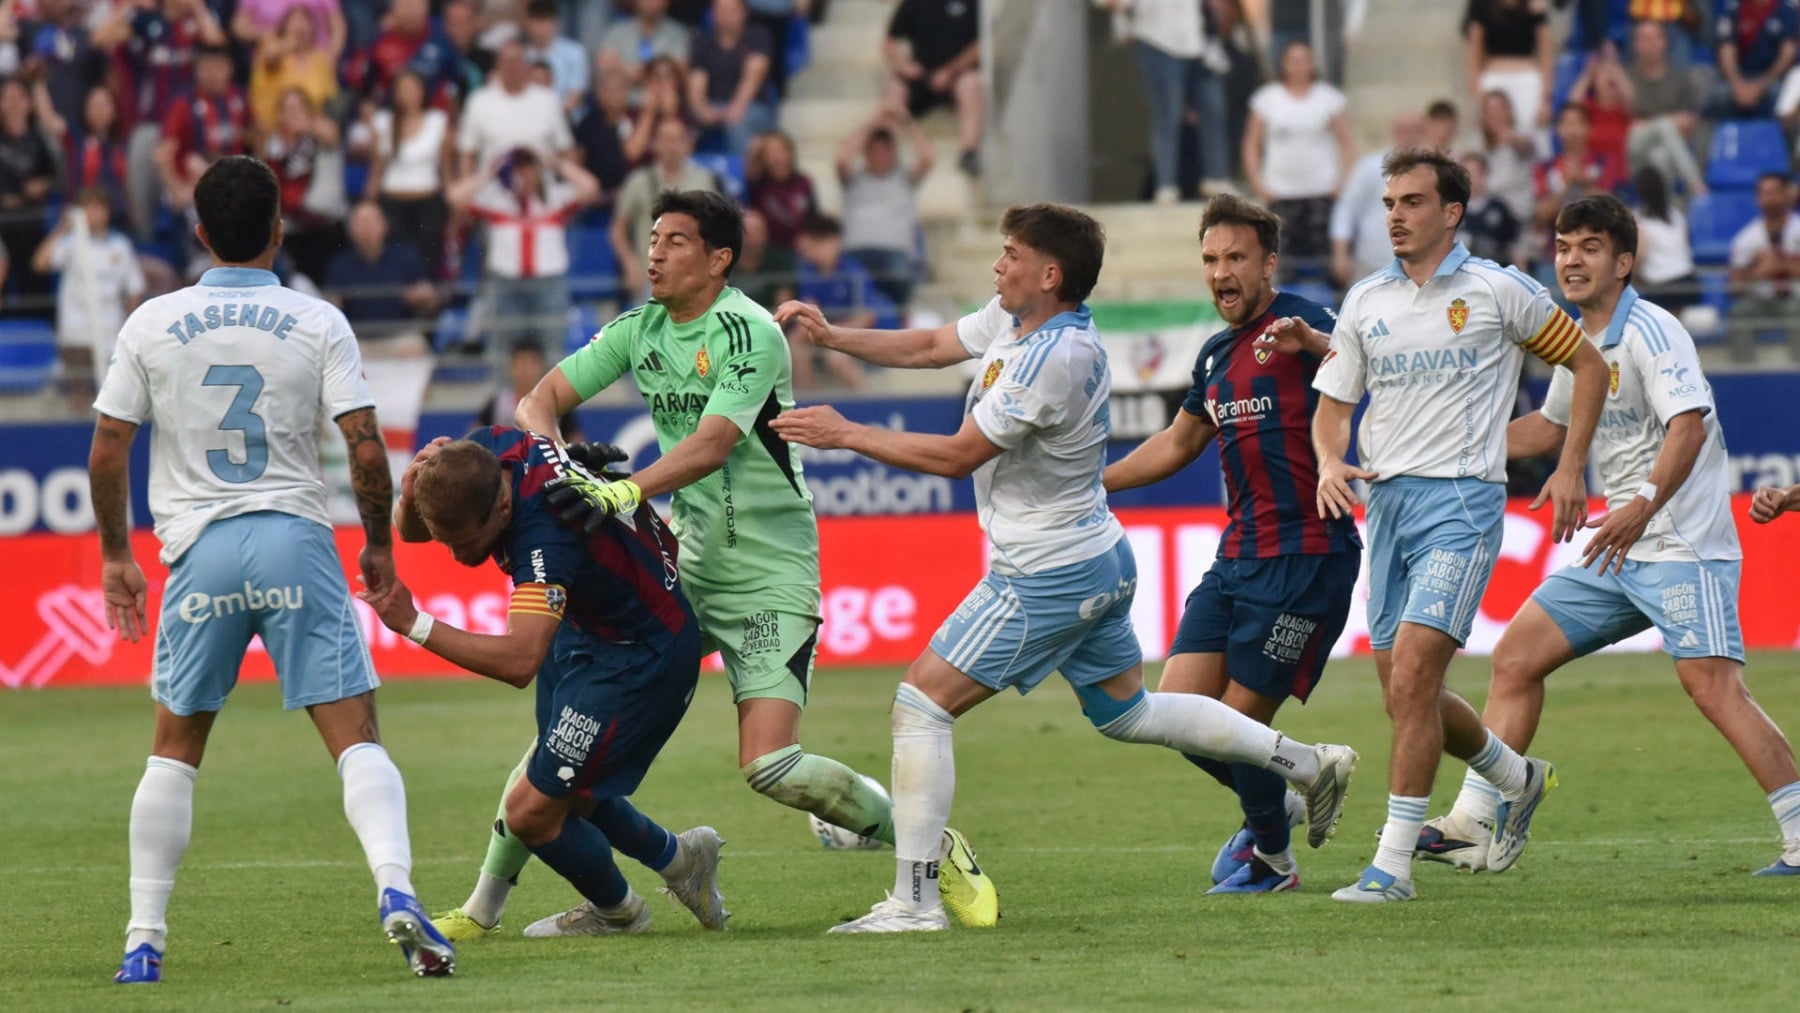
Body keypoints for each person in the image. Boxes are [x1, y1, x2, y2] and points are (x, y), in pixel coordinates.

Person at [428, 189, 1001, 940]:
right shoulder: (638, 329)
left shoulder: (751, 332)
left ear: (718, 258)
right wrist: (560, 457)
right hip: (685, 562)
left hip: (769, 566)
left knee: (770, 765)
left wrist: (622, 488)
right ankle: (483, 906)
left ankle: (930, 844)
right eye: (653, 238)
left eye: (673, 240)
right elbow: (539, 401)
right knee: (560, 737)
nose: (655, 253)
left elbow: (714, 442)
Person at [769, 203, 1359, 932]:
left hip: (1046, 572)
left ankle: (915, 902)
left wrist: (847, 432)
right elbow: (928, 346)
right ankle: (1305, 762)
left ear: (1049, 274)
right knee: (1131, 712)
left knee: (920, 704)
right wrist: (836, 337)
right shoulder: (1015, 323)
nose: (998, 263)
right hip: (1092, 556)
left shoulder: (1058, 356)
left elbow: (959, 455)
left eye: (1011, 253)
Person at [89, 155, 453, 983]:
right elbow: (364, 443)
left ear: (199, 233)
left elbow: (109, 448)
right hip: (295, 537)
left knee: (173, 752)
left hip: (200, 552)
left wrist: (117, 554)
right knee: (355, 737)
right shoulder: (318, 320)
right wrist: (381, 546)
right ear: (280, 230)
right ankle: (397, 890)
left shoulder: (150, 322)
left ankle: (143, 939)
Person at [1422, 194, 1800, 878]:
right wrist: (1454, 447)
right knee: (1514, 658)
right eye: (1565, 246)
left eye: (1590, 247)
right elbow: (1549, 428)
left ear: (1623, 262)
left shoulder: (1656, 332)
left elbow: (1688, 425)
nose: (1572, 259)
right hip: (1617, 549)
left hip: (1682, 542)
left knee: (1714, 688)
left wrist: (1642, 505)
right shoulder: (1578, 340)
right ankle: (1477, 820)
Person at [1301, 146, 1610, 901]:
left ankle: (1392, 866)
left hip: (1465, 504)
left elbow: (1592, 366)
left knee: (1411, 678)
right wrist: (1329, 460)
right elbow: (1333, 408)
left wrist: (1570, 466)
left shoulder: (1499, 291)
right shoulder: (1366, 300)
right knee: (1404, 691)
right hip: (1390, 507)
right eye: (1388, 203)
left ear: (1451, 212)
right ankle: (1515, 773)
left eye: (1411, 202)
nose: (1396, 216)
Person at [361, 426, 729, 934]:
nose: (456, 556)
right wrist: (410, 493)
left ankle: (619, 913)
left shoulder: (546, 534)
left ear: (503, 511)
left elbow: (518, 661)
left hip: (640, 658)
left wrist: (414, 624)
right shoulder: (482, 455)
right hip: (588, 629)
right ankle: (680, 860)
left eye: (464, 541)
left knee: (530, 812)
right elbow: (414, 530)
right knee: (570, 791)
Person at [1102, 194, 1362, 894]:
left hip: (1308, 554)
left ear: (1268, 262)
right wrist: (1094, 484)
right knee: (1179, 718)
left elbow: (1374, 365)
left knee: (1239, 724)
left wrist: (1314, 346)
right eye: (1212, 259)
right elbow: (1177, 443)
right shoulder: (1217, 353)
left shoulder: (1311, 321)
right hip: (1236, 558)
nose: (1222, 271)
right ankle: (1298, 775)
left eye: (1237, 257)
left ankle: (1273, 858)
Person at [449, 146, 599, 357]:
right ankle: (503, 391)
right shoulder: (495, 200)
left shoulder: (556, 198)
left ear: (538, 170)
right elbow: (455, 196)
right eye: (518, 168)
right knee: (503, 347)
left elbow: (591, 188)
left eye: (529, 167)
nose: (524, 174)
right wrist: (488, 173)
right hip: (506, 284)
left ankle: (552, 392)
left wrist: (558, 164)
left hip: (548, 283)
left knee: (552, 347)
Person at [1242, 40, 1354, 269]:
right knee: (1281, 262)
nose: (1299, 66)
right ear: (1283, 64)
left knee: (1324, 263)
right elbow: (1252, 144)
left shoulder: (1329, 98)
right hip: (1280, 194)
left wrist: (1342, 183)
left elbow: (1347, 142)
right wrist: (1258, 184)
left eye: (1304, 60)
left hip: (1322, 192)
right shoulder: (1267, 99)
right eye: (1293, 60)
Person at [1105, 0, 1231, 203]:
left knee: (1213, 110)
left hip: (1199, 42)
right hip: (1159, 40)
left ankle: (1215, 177)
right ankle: (1166, 185)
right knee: (1168, 116)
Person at [33, 187, 147, 408]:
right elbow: (40, 263)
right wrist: (64, 227)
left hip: (110, 330)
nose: (94, 213)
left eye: (99, 207)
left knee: (114, 394)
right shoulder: (70, 243)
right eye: (88, 208)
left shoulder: (120, 245)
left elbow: (134, 288)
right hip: (75, 330)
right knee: (79, 393)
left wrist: (129, 328)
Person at [610, 118, 720, 295]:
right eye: (666, 139)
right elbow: (618, 229)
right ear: (655, 145)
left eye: (678, 139)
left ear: (688, 144)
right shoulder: (638, 181)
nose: (672, 146)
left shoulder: (704, 181)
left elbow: (717, 227)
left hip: (693, 278)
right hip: (651, 277)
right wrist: (629, 264)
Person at [837, 103, 931, 309]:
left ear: (894, 153)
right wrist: (872, 121)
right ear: (865, 153)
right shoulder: (854, 180)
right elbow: (842, 158)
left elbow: (926, 158)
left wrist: (907, 121)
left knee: (899, 277)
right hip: (856, 252)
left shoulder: (904, 179)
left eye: (884, 151)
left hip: (894, 255)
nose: (879, 156)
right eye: (874, 151)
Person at [791, 213, 893, 389]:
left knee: (836, 355)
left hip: (864, 332)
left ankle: (864, 401)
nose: (809, 252)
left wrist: (833, 333)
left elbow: (866, 316)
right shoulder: (809, 271)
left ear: (832, 241)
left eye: (815, 245)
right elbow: (809, 308)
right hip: (831, 331)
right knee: (794, 343)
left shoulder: (853, 271)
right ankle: (808, 403)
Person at [884, 0, 983, 175]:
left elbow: (979, 46)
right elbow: (889, 41)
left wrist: (951, 71)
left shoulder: (971, 3)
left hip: (957, 75)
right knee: (894, 85)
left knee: (971, 83)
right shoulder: (913, 3)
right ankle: (888, 150)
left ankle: (968, 151)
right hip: (921, 76)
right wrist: (904, 65)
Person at [1331, 112, 1427, 286]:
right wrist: (1341, 255)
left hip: (1420, 267)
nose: (1409, 137)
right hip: (1371, 266)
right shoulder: (1370, 168)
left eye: (1415, 131)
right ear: (1394, 133)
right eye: (1404, 131)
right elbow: (1346, 211)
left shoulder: (1434, 173)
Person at [1625, 19, 1706, 197]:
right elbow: (1625, 123)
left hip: (1666, 150)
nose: (1649, 44)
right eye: (1643, 39)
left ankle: (1661, 212)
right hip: (1632, 149)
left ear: (1664, 42)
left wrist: (1650, 123)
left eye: (1654, 38)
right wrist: (1669, 121)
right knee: (1664, 125)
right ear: (1635, 44)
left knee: (1660, 158)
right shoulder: (1627, 76)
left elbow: (1687, 124)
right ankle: (1696, 186)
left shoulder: (1679, 79)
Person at [1725, 172, 1800, 363]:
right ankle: (1743, 373)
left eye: (1774, 192)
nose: (1770, 199)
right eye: (1764, 193)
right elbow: (1733, 288)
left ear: (1786, 195)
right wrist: (1758, 273)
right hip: (1761, 300)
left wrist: (1785, 265)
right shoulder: (1746, 238)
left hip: (1796, 299)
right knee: (1739, 313)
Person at [688, 0, 774, 157]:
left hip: (751, 106)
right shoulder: (703, 43)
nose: (725, 15)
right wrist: (702, 110)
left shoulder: (757, 36)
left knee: (736, 123)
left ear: (743, 13)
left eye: (731, 10)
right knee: (681, 122)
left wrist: (736, 107)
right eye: (720, 10)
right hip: (714, 104)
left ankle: (739, 174)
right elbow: (697, 87)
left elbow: (753, 76)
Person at [1462, 0, 1552, 134]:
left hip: (1528, 80)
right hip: (1493, 78)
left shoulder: (1533, 5)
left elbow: (1546, 51)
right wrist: (1476, 89)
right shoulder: (1481, 5)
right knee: (1492, 135)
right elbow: (1474, 49)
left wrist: (1545, 98)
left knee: (1529, 131)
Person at [1715, 0, 1798, 119]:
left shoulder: (1786, 10)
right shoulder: (1733, 8)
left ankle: (1779, 136)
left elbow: (1787, 54)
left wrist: (1760, 86)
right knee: (1719, 94)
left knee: (1782, 95)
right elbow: (1726, 48)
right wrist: (1737, 84)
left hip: (1772, 79)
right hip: (1740, 77)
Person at [1631, 167, 1698, 312]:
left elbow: (1639, 257)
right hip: (1689, 282)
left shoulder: (1638, 219)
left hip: (1663, 288)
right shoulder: (1676, 216)